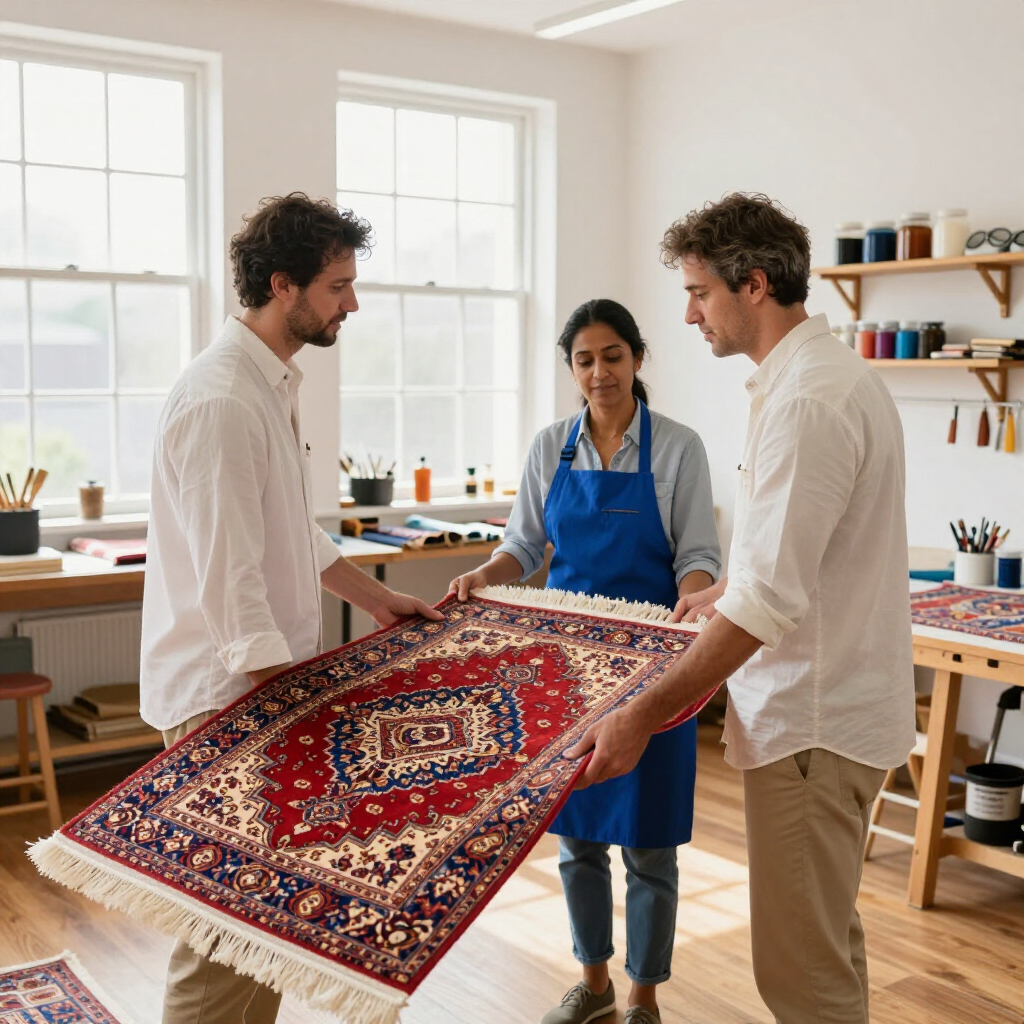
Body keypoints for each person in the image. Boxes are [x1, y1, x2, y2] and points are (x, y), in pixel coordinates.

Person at [567, 195, 917, 1024]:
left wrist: (642, 715)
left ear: (753, 285)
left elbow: (769, 604)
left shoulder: (806, 403)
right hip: (827, 721)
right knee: (825, 947)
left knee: (799, 979)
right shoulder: (814, 381)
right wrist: (719, 592)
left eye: (699, 292)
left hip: (814, 728)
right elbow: (788, 557)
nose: (689, 314)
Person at [140, 193, 441, 1024]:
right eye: (339, 285)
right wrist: (309, 705)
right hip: (225, 702)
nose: (353, 302)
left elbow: (289, 535)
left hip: (256, 695)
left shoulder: (267, 383)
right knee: (219, 943)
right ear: (283, 285)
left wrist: (378, 600)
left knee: (261, 933)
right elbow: (234, 589)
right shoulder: (223, 401)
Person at [449, 298, 721, 1024]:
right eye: (584, 360)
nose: (599, 372)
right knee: (576, 841)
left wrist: (697, 603)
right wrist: (485, 575)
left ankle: (643, 997)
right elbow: (527, 549)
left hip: (656, 672)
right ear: (571, 368)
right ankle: (595, 985)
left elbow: (697, 556)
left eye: (613, 356)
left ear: (637, 359)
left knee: (651, 846)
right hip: (566, 674)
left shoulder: (678, 448)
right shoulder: (549, 448)